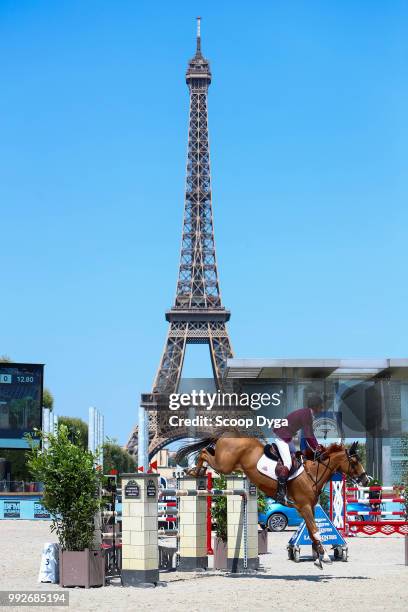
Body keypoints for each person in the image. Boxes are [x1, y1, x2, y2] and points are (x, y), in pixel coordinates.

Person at [272, 393, 325, 504]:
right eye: (321, 406)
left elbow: (310, 434)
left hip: (287, 437)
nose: (321, 408)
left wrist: (317, 447)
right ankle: (280, 494)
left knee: (296, 459)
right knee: (288, 463)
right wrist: (317, 448)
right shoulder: (307, 414)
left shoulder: (307, 413)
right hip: (282, 436)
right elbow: (308, 434)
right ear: (315, 406)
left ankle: (290, 489)